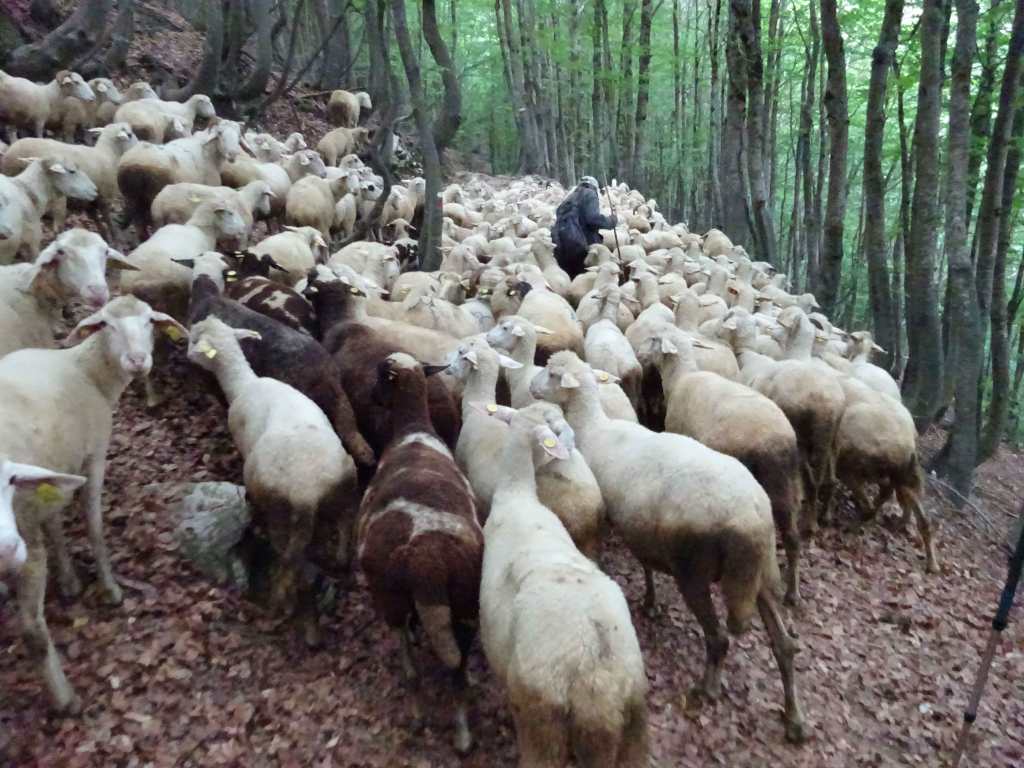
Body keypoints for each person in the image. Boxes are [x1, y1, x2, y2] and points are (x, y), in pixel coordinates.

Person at [552, 175, 617, 279]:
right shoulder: (590, 194)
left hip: (561, 246)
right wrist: (611, 221)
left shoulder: (570, 196)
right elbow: (592, 219)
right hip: (580, 246)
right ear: (595, 187)